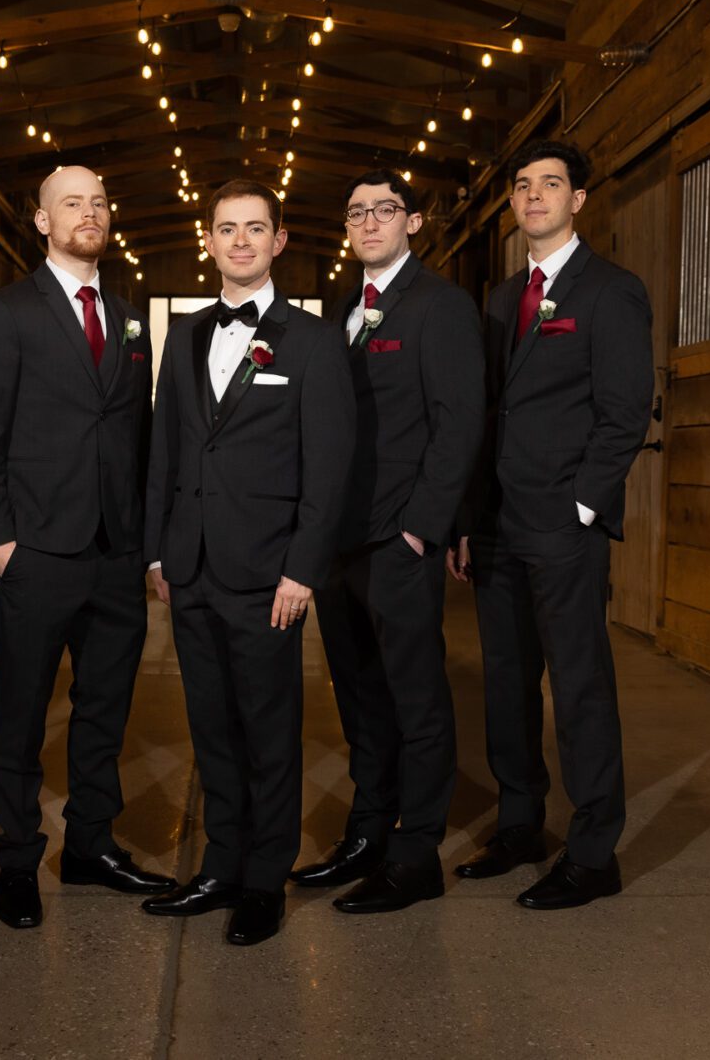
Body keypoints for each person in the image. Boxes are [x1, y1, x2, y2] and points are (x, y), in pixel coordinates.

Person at [0, 164, 175, 930]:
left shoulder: (130, 320)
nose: (91, 213)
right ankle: (18, 857)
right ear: (43, 221)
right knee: (21, 710)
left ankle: (90, 844)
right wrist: (0, 540)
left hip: (114, 551)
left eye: (100, 203)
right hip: (38, 549)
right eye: (72, 203)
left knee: (104, 709)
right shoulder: (7, 312)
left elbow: (140, 438)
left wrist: (146, 545)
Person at [142, 180, 355, 947]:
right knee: (212, 729)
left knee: (269, 730)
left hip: (269, 574)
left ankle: (265, 880)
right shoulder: (186, 335)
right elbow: (166, 447)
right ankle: (220, 866)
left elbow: (329, 465)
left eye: (254, 228)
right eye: (227, 228)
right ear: (208, 240)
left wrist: (303, 569)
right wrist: (158, 550)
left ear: (278, 241)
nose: (240, 241)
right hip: (190, 567)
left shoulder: (313, 341)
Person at [450, 139, 654, 910]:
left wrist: (582, 505)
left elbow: (626, 409)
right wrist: (468, 516)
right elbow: (485, 414)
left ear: (578, 200)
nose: (534, 195)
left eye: (551, 184)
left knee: (577, 686)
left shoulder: (611, 291)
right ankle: (519, 825)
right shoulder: (502, 300)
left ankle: (594, 853)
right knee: (506, 683)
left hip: (563, 525)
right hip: (498, 523)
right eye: (523, 185)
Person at [302, 170, 485, 915]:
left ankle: (417, 854)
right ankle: (369, 831)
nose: (370, 222)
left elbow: (459, 422)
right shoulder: (342, 307)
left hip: (397, 539)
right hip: (338, 541)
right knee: (359, 696)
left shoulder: (440, 305)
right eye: (357, 212)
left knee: (416, 698)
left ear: (412, 220)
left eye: (385, 209)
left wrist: (422, 527)